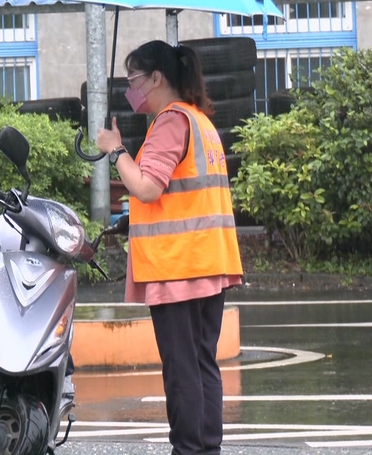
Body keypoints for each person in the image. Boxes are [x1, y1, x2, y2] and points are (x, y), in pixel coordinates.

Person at [94, 40, 244, 455]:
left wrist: (115, 150)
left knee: (182, 370)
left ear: (156, 78)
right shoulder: (199, 121)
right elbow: (180, 194)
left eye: (133, 80)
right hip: (207, 261)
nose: (130, 90)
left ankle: (188, 449)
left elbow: (147, 187)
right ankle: (206, 448)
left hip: (179, 266)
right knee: (201, 363)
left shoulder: (171, 122)